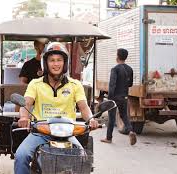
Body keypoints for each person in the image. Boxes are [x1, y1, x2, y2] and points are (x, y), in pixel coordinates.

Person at [14, 42, 99, 174]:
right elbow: (26, 104)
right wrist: (24, 117)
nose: (56, 64)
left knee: (83, 160)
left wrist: (91, 119)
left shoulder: (75, 85)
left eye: (59, 60)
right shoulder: (35, 84)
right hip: (41, 133)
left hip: (67, 134)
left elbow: (83, 107)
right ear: (45, 63)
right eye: (52, 60)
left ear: (65, 63)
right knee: (21, 156)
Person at [100, 48, 137, 145]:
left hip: (115, 97)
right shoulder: (130, 69)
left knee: (111, 118)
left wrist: (110, 99)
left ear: (117, 57)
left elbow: (112, 85)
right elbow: (130, 84)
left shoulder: (115, 69)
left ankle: (109, 138)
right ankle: (131, 131)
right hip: (124, 96)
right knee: (124, 115)